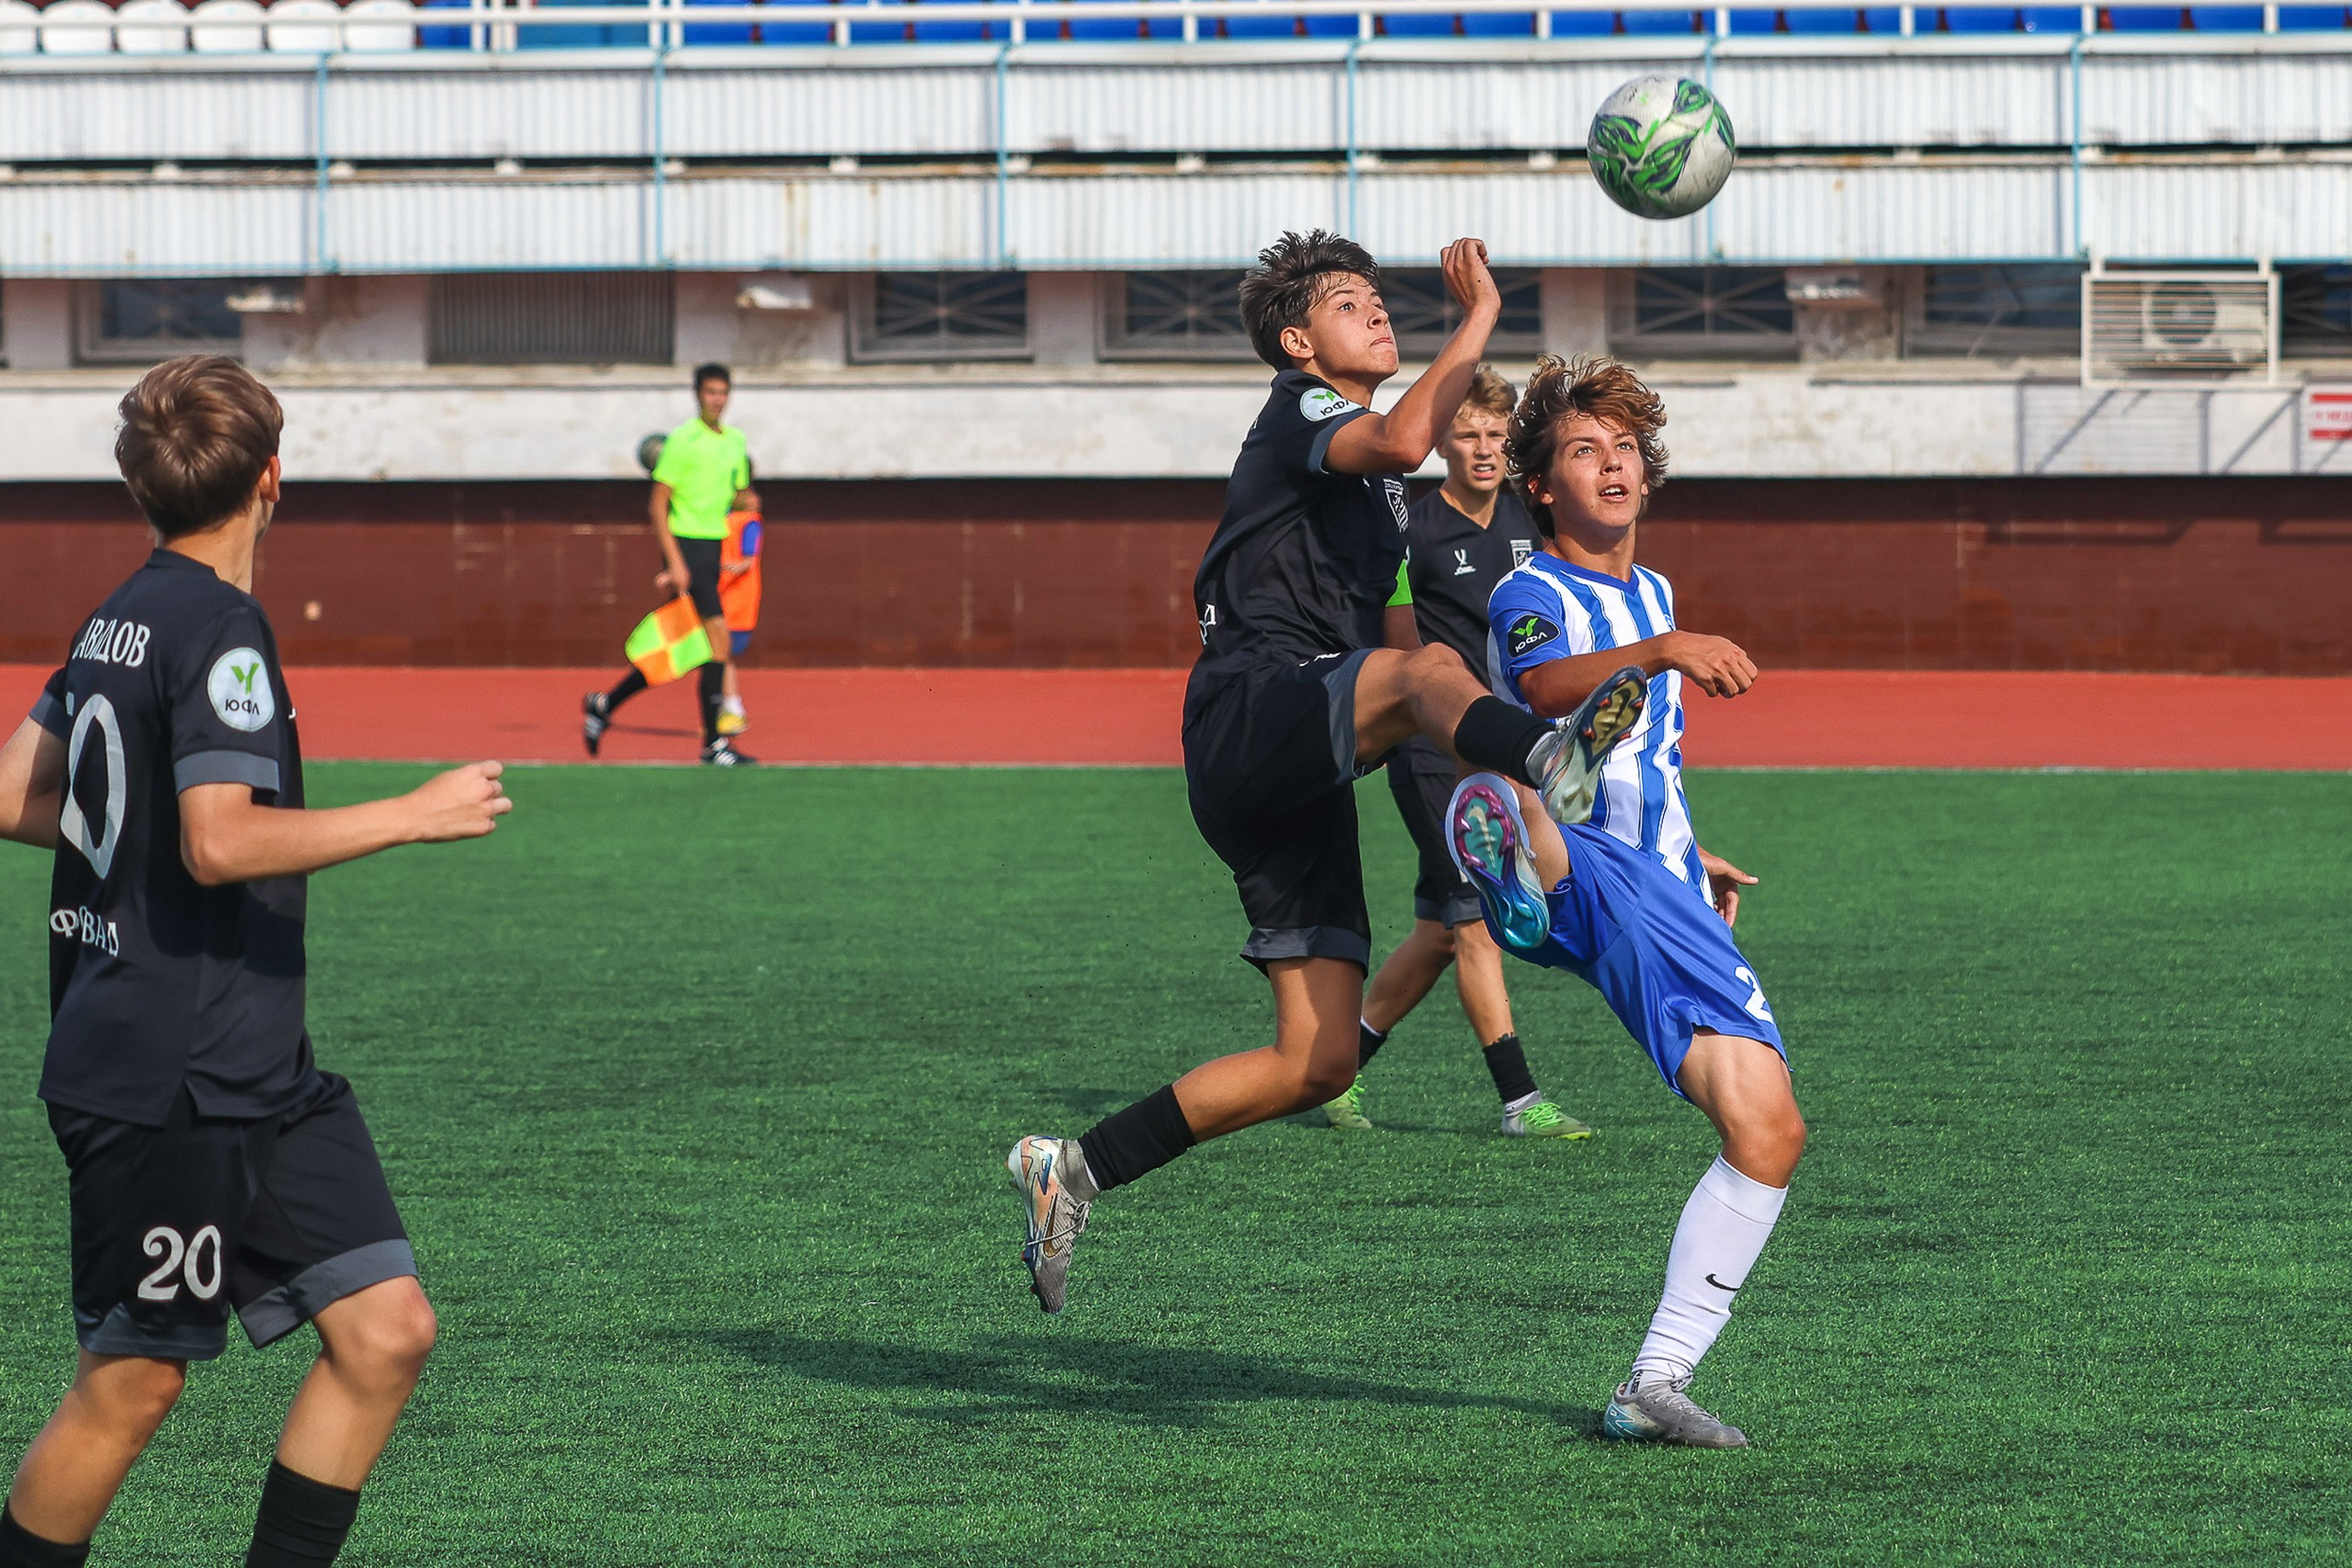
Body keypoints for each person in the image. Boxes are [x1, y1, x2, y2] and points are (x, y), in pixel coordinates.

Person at [1002, 231, 1653, 1316]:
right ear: (1299, 342)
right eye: (1352, 303)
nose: (1379, 312)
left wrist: (1450, 735)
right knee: (1434, 680)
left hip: (1302, 763)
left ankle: (1071, 1168)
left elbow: (1402, 644)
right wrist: (1479, 318)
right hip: (1252, 706)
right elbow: (1403, 441)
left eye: (1377, 298)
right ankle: (1550, 757)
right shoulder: (1299, 406)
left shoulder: (1377, 495)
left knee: (1318, 1062)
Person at [0, 356, 513, 1566]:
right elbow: (220, 841)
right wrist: (413, 814)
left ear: (139, 487)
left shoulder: (118, 614)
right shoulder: (223, 630)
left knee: (385, 1331)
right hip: (167, 1078)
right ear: (273, 479)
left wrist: (134, 848)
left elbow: (15, 791)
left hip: (257, 1065)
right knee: (132, 1383)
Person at [1445, 354, 1802, 1449]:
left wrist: (1700, 853)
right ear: (1540, 486)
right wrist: (1659, 654)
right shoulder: (1531, 591)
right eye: (1583, 450)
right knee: (1549, 781)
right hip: (1599, 864)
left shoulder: (1653, 592)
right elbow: (1544, 688)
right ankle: (1526, 864)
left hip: (1665, 887)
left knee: (1767, 1128)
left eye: (1626, 448)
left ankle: (1653, 1384)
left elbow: (1653, 756)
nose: (1613, 464)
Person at [1326, 365, 1590, 1141]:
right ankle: (1520, 1101)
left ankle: (1334, 1071)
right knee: (1478, 916)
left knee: (1440, 934)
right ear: (1440, 442)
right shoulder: (1412, 530)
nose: (1483, 448)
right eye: (1468, 433)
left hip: (1507, 746)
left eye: (1496, 435)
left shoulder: (1526, 519)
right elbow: (1379, 634)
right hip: (1434, 752)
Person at [582, 363, 755, 765]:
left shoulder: (735, 442)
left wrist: (746, 503)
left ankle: (605, 704)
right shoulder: (682, 441)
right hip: (687, 545)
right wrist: (675, 561)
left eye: (723, 392)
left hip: (713, 548)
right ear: (698, 395)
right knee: (717, 641)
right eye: (711, 392)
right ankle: (714, 745)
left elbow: (737, 494)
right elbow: (658, 505)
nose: (717, 400)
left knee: (692, 647)